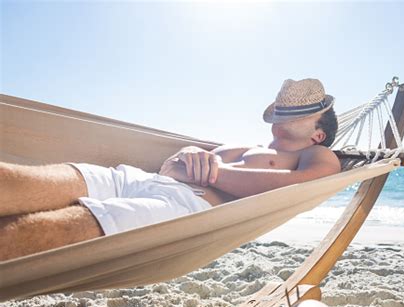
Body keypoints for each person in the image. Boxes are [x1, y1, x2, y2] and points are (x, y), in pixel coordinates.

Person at [0, 78, 340, 261]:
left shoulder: (318, 155)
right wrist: (188, 151)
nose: (284, 113)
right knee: (16, 181)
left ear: (318, 132)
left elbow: (304, 183)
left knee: (41, 232)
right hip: (138, 178)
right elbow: (171, 164)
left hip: (182, 209)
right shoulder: (249, 148)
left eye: (299, 113)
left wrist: (212, 173)